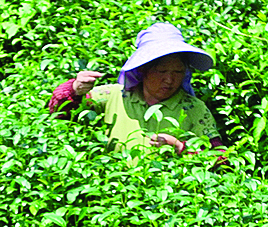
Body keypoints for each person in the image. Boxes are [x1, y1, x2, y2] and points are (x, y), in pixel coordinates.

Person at [46, 23, 219, 154]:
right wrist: (75, 89)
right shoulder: (112, 96)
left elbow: (220, 157)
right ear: (143, 69)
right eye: (162, 71)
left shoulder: (193, 108)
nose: (169, 79)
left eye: (178, 72)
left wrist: (180, 146)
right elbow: (58, 115)